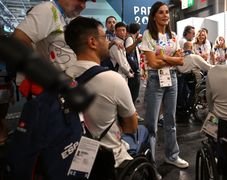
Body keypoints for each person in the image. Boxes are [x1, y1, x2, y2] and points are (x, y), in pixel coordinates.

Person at [65, 16, 138, 168]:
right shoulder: (112, 79)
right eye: (104, 37)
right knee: (142, 134)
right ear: (92, 42)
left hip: (74, 160)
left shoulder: (62, 78)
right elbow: (132, 127)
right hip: (111, 160)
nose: (108, 41)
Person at [140, 1, 189, 177]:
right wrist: (172, 59)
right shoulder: (148, 35)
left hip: (172, 78)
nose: (165, 15)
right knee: (151, 124)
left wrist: (166, 58)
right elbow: (152, 63)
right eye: (161, 12)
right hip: (155, 79)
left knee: (171, 121)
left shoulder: (173, 35)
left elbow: (181, 60)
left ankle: (172, 155)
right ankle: (150, 162)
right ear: (154, 16)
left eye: (167, 12)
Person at [12, 0, 92, 98]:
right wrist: (42, 73)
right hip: (51, 90)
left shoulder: (60, 15)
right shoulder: (48, 10)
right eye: (80, 0)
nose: (83, 5)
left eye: (85, 1)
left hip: (62, 87)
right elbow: (19, 39)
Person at [125, 22, 143, 104]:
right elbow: (128, 51)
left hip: (134, 69)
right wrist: (136, 42)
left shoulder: (132, 39)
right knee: (133, 93)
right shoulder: (130, 39)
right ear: (138, 31)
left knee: (134, 93)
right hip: (133, 70)